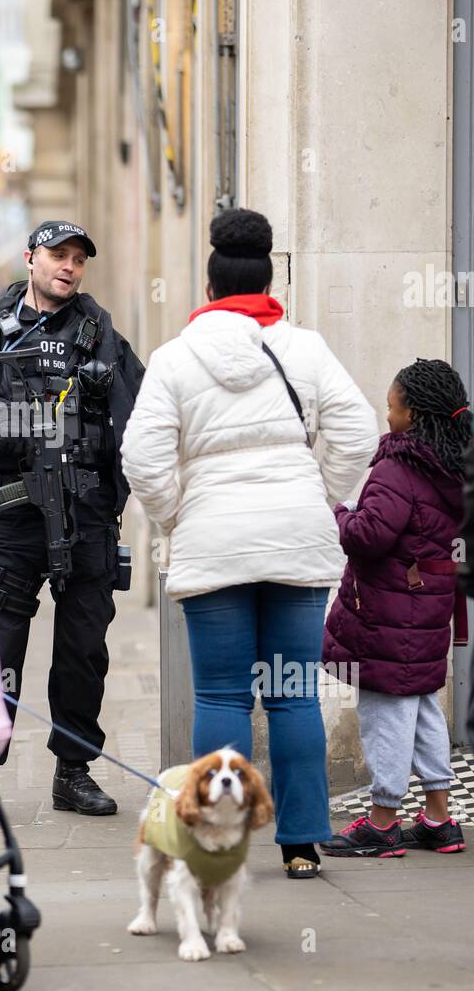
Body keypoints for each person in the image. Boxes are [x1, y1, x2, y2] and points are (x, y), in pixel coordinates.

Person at [120, 208, 378, 878]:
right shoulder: (308, 348)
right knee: (293, 691)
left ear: (209, 288)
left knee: (222, 696)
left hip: (214, 542)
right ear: (269, 279)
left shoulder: (175, 357)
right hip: (295, 538)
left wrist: (177, 514)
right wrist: (317, 495)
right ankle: (299, 845)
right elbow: (358, 432)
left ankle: (218, 843)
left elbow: (142, 457)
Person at [0, 220, 145, 816]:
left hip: (86, 513)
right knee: (0, 644)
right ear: (30, 259)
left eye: (78, 258)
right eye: (57, 255)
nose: (68, 267)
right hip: (13, 513)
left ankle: (73, 771)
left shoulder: (100, 335)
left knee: (83, 648)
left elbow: (143, 415)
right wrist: (19, 419)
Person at [321, 359, 470, 857]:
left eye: (391, 406)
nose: (387, 415)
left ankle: (382, 823)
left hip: (389, 615)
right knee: (424, 706)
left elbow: (369, 536)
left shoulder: (399, 467)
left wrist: (339, 510)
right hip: (427, 611)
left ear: (414, 413)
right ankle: (438, 818)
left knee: (386, 709)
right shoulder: (453, 464)